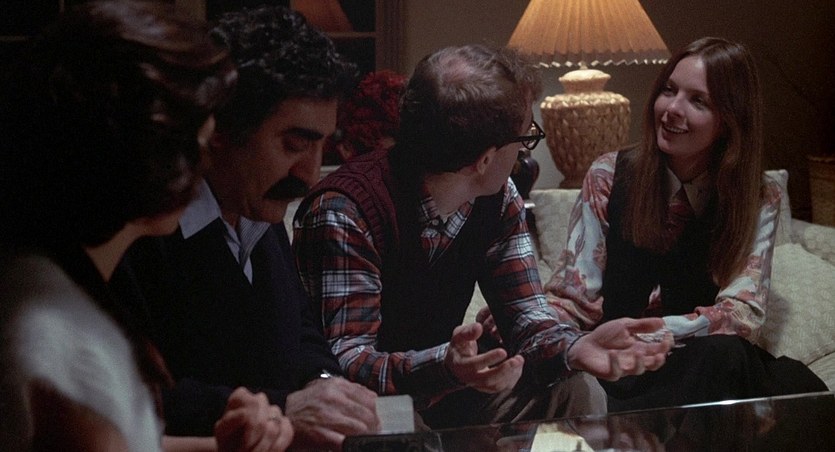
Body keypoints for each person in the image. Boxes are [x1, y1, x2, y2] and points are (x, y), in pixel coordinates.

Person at [292, 44, 673, 430]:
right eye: (525, 138)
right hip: (370, 403)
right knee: (399, 424)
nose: (523, 151)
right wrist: (445, 367)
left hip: (451, 389)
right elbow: (346, 361)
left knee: (574, 387)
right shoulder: (347, 210)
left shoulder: (498, 199)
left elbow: (525, 314)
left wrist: (575, 347)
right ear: (485, 159)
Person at [0, 1, 293, 451]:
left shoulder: (40, 272)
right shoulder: (64, 340)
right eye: (197, 146)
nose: (203, 168)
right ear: (142, 152)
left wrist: (222, 447)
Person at [109, 5, 380, 450]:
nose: (311, 174)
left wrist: (324, 384)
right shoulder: (139, 234)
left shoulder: (258, 211)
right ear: (220, 130)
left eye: (323, 146)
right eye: (294, 145)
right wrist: (285, 407)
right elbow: (127, 398)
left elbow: (301, 331)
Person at [539, 37, 829, 411]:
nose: (672, 109)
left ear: (730, 121)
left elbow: (742, 314)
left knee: (727, 355)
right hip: (618, 367)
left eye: (698, 101)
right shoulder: (608, 174)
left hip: (702, 364)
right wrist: (527, 320)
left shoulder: (758, 196)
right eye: (669, 90)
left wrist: (656, 332)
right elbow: (576, 296)